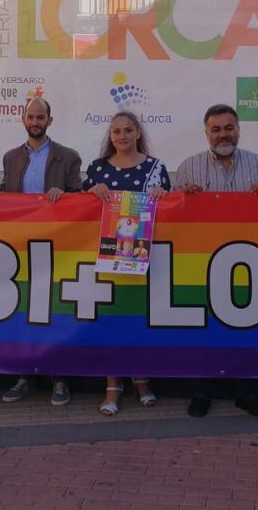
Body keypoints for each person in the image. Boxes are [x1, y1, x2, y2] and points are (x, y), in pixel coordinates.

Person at [174, 103, 258, 420]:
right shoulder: (188, 168)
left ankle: (246, 393)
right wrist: (185, 199)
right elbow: (173, 212)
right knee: (202, 329)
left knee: (244, 329)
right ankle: (200, 392)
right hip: (202, 262)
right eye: (216, 129)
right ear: (206, 133)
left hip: (248, 261)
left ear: (238, 129)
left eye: (228, 127)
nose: (223, 134)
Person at [83, 111, 170, 416]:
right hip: (107, 255)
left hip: (142, 258)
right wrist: (91, 193)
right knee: (111, 321)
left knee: (139, 320)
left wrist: (163, 195)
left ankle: (142, 379)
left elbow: (172, 208)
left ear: (137, 133)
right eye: (116, 131)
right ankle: (112, 384)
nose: (122, 136)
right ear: (110, 135)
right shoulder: (96, 169)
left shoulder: (155, 168)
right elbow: (79, 209)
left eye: (128, 130)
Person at [0, 96, 81, 408]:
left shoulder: (68, 157)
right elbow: (7, 195)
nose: (35, 122)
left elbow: (80, 197)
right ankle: (25, 375)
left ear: (50, 119)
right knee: (24, 313)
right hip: (20, 250)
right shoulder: (9, 157)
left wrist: (67, 196)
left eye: (40, 117)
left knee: (55, 312)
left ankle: (59, 378)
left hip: (57, 248)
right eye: (30, 116)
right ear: (23, 119)